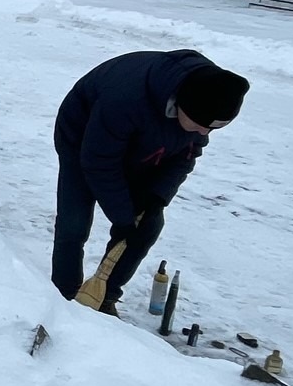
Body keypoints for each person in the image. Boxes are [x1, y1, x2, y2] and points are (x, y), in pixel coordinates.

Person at [52, 50, 249, 313]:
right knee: (73, 222)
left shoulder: (209, 96)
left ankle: (103, 297)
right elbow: (99, 163)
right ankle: (63, 295)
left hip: (144, 143)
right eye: (202, 125)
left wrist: (156, 197)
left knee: (147, 225)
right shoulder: (125, 99)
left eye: (214, 128)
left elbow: (185, 157)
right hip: (83, 137)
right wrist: (123, 217)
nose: (205, 133)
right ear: (182, 104)